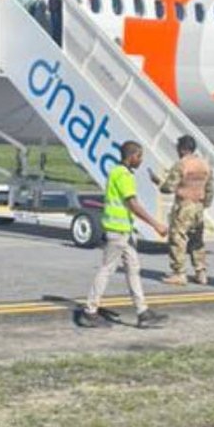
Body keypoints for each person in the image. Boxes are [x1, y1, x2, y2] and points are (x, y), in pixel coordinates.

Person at [78, 140, 170, 328]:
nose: (141, 160)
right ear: (132, 156)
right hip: (117, 232)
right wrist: (155, 224)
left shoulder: (117, 171)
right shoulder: (124, 175)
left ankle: (142, 311)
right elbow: (133, 205)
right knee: (107, 269)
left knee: (133, 269)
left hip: (124, 232)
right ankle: (90, 310)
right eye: (140, 156)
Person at [154, 135, 213, 285]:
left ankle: (179, 273)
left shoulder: (181, 165)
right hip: (198, 206)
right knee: (197, 241)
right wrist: (205, 204)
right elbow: (211, 188)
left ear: (182, 149)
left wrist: (159, 182)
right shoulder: (205, 165)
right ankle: (201, 272)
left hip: (183, 206)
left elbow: (169, 187)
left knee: (178, 239)